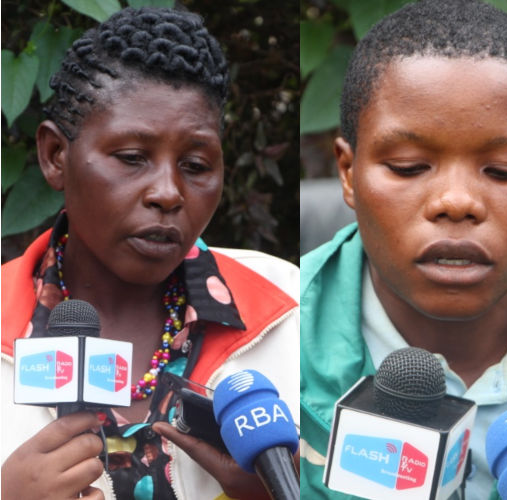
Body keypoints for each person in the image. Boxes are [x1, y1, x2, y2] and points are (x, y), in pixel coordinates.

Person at [297, 0, 507, 497]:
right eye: (409, 166)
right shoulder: (269, 338)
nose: (456, 202)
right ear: (348, 173)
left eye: (503, 170)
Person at [0, 7, 301, 499]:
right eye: (132, 158)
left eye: (195, 164)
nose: (168, 192)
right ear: (56, 156)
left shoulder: (290, 309)